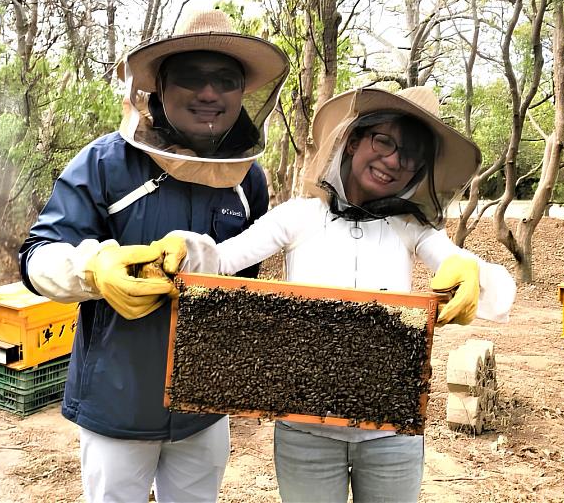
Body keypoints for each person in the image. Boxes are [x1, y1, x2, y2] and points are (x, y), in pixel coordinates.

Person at [171, 86, 516, 503]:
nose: (393, 161)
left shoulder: (413, 229)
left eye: (410, 156)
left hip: (391, 434)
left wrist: (473, 275)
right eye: (384, 141)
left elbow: (492, 291)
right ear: (353, 140)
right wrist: (178, 250)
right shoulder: (298, 217)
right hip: (304, 434)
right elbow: (219, 261)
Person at [17, 8, 289, 503]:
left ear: (242, 94)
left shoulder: (249, 180)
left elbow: (241, 282)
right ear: (160, 86)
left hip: (205, 405)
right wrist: (92, 270)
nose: (209, 94)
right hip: (116, 401)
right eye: (191, 77)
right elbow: (37, 257)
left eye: (225, 81)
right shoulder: (103, 163)